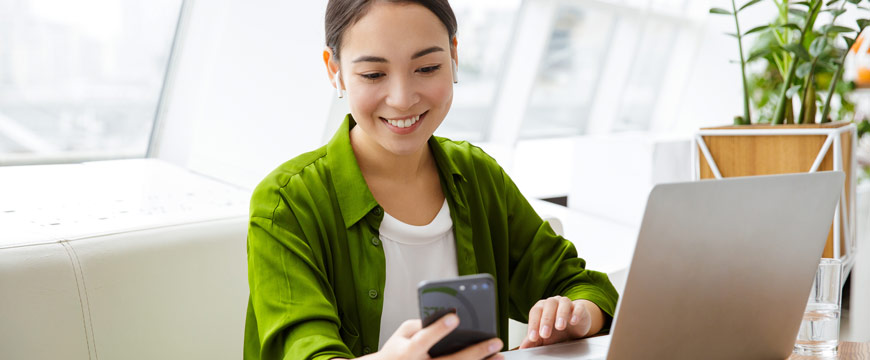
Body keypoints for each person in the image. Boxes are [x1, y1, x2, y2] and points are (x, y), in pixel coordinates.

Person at [243, 1, 619, 359]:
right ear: (334, 70)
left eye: (426, 68)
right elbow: (302, 350)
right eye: (373, 74)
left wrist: (578, 316)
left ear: (453, 56)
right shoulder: (286, 203)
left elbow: (584, 287)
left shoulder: (477, 176)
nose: (403, 99)